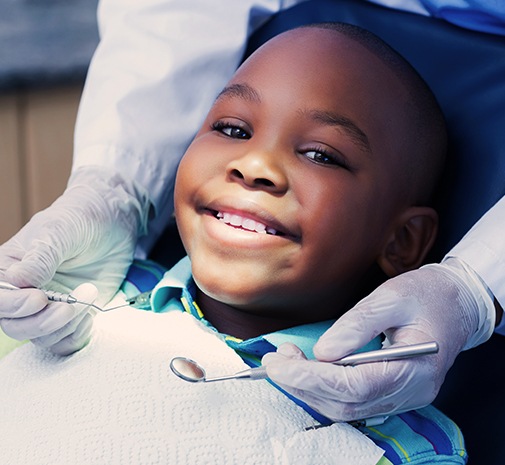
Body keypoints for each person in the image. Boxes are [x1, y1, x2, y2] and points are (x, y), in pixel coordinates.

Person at [0, 0, 503, 421]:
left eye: (321, 155)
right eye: (233, 130)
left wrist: (476, 287)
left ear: (402, 241)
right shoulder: (66, 315)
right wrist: (115, 185)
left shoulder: (396, 431)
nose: (255, 164)